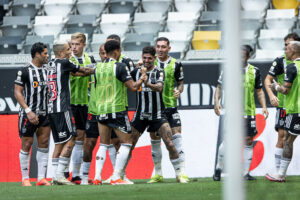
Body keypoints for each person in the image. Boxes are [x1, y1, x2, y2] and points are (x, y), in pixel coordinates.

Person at [130, 46, 186, 183]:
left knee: (170, 143)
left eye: (150, 58)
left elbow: (159, 88)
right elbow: (128, 84)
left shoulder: (159, 72)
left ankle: (179, 174)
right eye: (144, 58)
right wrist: (138, 77)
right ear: (141, 58)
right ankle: (119, 175)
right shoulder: (136, 71)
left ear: (154, 59)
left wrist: (146, 82)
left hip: (158, 114)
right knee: (128, 144)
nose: (147, 60)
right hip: (140, 115)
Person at [213, 45, 269, 181]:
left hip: (248, 113)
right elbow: (219, 87)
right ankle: (218, 169)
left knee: (248, 141)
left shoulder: (254, 71)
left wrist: (264, 106)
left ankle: (245, 173)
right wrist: (216, 102)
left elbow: (259, 91)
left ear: (248, 56)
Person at [94, 40, 146, 185]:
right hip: (117, 109)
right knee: (127, 143)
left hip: (101, 110)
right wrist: (142, 78)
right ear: (117, 51)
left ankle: (97, 177)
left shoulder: (98, 67)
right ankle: (117, 176)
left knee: (104, 144)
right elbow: (133, 87)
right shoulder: (120, 66)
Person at [47, 41, 94, 185]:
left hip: (51, 108)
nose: (70, 52)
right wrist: (100, 69)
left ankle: (56, 176)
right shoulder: (64, 62)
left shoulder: (49, 64)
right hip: (63, 107)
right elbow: (84, 71)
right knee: (72, 138)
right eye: (68, 49)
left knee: (59, 143)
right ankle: (60, 174)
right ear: (60, 52)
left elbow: (74, 73)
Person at [147, 37, 188, 183]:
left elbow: (181, 83)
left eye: (163, 47)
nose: (160, 49)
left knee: (177, 138)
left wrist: (179, 90)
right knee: (155, 140)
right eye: (158, 46)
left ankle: (181, 173)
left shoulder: (176, 64)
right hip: (155, 108)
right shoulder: (150, 62)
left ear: (169, 48)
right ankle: (158, 173)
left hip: (171, 107)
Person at [14, 42, 51, 186]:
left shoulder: (48, 70)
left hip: (44, 114)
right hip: (28, 114)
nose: (47, 56)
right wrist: (28, 111)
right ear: (37, 54)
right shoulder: (24, 70)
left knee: (43, 144)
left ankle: (41, 178)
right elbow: (17, 92)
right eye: (45, 53)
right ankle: (25, 178)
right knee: (27, 143)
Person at [264, 33, 300, 173]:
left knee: (288, 138)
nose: (286, 48)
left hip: (293, 105)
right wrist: (272, 95)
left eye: (289, 45)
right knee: (282, 136)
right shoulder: (280, 61)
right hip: (284, 105)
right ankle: (278, 171)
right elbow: (268, 79)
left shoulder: (294, 64)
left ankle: (280, 173)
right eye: (285, 45)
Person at [69, 32, 97, 184]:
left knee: (85, 139)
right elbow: (75, 74)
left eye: (77, 44)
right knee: (73, 139)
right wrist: (89, 70)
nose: (74, 47)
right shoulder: (68, 59)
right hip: (72, 104)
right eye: (72, 44)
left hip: (87, 104)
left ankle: (78, 175)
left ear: (84, 45)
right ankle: (69, 173)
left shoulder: (90, 59)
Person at [81, 44, 107, 185]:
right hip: (94, 111)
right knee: (89, 144)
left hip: (110, 110)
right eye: (102, 53)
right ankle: (85, 177)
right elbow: (79, 72)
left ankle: (116, 175)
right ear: (99, 54)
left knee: (115, 143)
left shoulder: (116, 68)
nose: (104, 56)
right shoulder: (93, 68)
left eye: (106, 53)